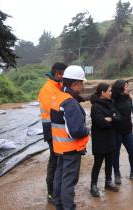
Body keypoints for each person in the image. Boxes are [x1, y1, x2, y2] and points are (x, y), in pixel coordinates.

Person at [51, 65, 90, 210]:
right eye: (81, 83)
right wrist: (87, 130)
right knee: (68, 181)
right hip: (70, 149)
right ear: (74, 84)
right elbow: (76, 131)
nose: (83, 86)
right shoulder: (70, 102)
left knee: (59, 177)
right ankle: (68, 207)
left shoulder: (58, 96)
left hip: (59, 147)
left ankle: (59, 205)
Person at [38, 62, 67, 203]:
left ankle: (57, 188)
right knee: (55, 160)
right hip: (51, 129)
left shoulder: (57, 86)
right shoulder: (47, 90)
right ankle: (51, 191)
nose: (65, 78)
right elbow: (55, 110)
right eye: (64, 75)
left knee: (59, 159)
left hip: (57, 128)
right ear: (58, 74)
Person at [90, 83, 121, 197]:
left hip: (110, 138)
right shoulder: (95, 106)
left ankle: (108, 182)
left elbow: (118, 117)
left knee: (109, 162)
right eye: (109, 91)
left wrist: (109, 118)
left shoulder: (110, 103)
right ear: (102, 92)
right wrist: (108, 119)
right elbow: (100, 123)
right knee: (97, 163)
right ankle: (93, 185)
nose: (111, 93)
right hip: (99, 140)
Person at [112, 79, 133, 185]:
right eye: (126, 86)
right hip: (116, 132)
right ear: (120, 89)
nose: (128, 88)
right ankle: (117, 174)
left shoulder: (129, 99)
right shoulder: (112, 100)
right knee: (115, 153)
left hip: (127, 130)